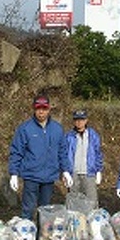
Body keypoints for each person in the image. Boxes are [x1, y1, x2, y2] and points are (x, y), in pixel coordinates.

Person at [9, 94, 73, 223]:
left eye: (44, 108)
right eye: (38, 108)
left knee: (45, 210)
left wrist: (66, 170)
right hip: (31, 176)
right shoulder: (25, 129)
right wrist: (14, 173)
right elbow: (16, 152)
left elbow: (62, 152)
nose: (41, 112)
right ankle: (26, 237)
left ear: (49, 109)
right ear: (34, 109)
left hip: (49, 176)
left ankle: (42, 238)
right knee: (28, 209)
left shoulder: (57, 129)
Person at [65, 109, 104, 207]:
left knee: (92, 202)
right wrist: (65, 172)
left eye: (82, 119)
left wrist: (98, 170)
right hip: (73, 174)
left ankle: (92, 222)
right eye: (77, 120)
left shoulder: (93, 135)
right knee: (73, 202)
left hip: (89, 173)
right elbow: (64, 155)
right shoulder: (68, 136)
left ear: (86, 120)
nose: (79, 122)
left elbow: (98, 153)